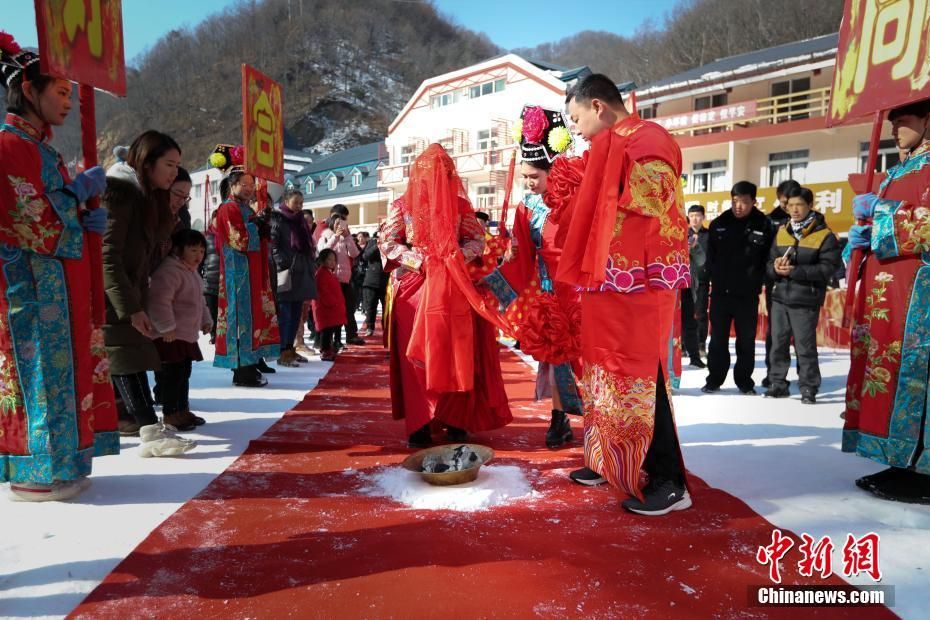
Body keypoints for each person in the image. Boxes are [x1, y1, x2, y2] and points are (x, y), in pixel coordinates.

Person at [555, 74, 690, 515]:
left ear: (598, 106)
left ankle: (670, 480)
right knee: (604, 371)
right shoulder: (608, 145)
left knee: (640, 376)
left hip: (642, 280)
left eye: (576, 119)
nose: (575, 130)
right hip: (607, 278)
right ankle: (611, 459)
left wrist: (597, 172)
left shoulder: (650, 138)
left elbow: (655, 194)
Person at [0, 34, 119, 500]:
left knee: (63, 373)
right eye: (62, 92)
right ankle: (35, 468)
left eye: (71, 93)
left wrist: (83, 213)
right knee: (39, 377)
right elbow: (30, 221)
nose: (69, 102)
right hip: (29, 290)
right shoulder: (10, 147)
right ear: (29, 90)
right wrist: (73, 200)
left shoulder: (41, 149)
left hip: (57, 286)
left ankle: (62, 461)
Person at [380, 144, 513, 448]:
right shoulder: (402, 205)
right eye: (433, 172)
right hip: (415, 289)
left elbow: (477, 240)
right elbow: (387, 243)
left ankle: (455, 419)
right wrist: (420, 260)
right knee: (416, 359)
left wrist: (456, 256)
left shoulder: (460, 207)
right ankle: (419, 423)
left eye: (445, 173)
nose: (439, 178)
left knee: (454, 352)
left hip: (452, 286)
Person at [843, 99, 930, 504]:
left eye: (905, 121)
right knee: (887, 372)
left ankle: (923, 465)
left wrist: (883, 214)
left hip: (919, 294)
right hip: (886, 295)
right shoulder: (895, 172)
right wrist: (858, 244)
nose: (896, 129)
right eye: (892, 122)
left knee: (916, 374)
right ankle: (901, 458)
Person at [484, 104, 582, 449]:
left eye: (534, 177)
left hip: (581, 288)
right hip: (547, 289)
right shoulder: (526, 206)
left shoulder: (577, 197)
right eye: (525, 177)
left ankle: (600, 418)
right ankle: (560, 418)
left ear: (554, 171)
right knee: (555, 355)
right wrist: (492, 279)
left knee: (587, 357)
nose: (528, 183)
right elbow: (520, 255)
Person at [102, 130, 195, 457]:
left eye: (177, 166)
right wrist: (130, 307)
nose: (173, 173)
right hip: (112, 297)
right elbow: (108, 256)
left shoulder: (146, 198)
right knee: (127, 359)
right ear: (147, 161)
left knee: (136, 358)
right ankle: (149, 431)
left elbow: (147, 250)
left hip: (130, 292)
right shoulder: (120, 194)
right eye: (169, 165)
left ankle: (150, 428)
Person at [211, 145, 281, 387]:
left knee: (252, 318)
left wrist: (261, 225)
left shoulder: (243, 208)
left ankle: (250, 366)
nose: (249, 188)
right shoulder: (228, 208)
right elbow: (237, 240)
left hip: (250, 272)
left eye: (251, 183)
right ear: (232, 185)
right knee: (241, 320)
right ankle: (242, 371)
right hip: (237, 274)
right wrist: (257, 226)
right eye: (244, 183)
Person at [765, 186, 840, 403]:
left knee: (804, 347)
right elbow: (769, 262)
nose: (795, 209)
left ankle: (808, 387)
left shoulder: (824, 235)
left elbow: (828, 268)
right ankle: (777, 383)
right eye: (791, 205)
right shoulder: (782, 231)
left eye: (799, 205)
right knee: (777, 344)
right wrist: (775, 268)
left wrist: (796, 271)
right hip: (780, 297)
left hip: (805, 299)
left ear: (810, 206)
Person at [702, 181, 775, 395]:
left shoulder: (764, 225)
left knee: (746, 340)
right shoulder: (719, 223)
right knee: (717, 340)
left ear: (753, 201)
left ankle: (744, 381)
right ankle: (714, 379)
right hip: (720, 294)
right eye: (735, 201)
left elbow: (768, 258)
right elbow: (710, 258)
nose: (739, 206)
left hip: (747, 295)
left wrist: (757, 279)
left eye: (744, 202)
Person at [147, 229, 213, 432]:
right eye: (192, 250)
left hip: (186, 335)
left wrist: (206, 319)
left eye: (201, 251)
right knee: (172, 376)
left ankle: (182, 409)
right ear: (178, 250)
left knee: (184, 373)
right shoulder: (170, 271)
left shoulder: (191, 273)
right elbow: (159, 301)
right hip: (170, 336)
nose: (198, 256)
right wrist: (166, 326)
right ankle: (170, 413)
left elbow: (200, 301)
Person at [270, 190, 317, 366]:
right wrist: (282, 263)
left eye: (301, 203)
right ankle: (282, 350)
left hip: (301, 271)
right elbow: (273, 245)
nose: (299, 206)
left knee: (296, 313)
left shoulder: (300, 221)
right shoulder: (278, 219)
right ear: (286, 201)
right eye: (296, 202)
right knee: (285, 313)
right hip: (286, 272)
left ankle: (291, 348)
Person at [762, 179, 801, 388]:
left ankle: (804, 375)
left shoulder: (812, 220)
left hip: (803, 284)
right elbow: (764, 255)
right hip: (776, 283)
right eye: (784, 202)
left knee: (802, 333)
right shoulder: (770, 221)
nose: (788, 207)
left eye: (792, 202)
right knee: (776, 331)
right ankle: (774, 373)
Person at [317, 211, 365, 347]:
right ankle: (335, 340)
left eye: (343, 223)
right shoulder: (326, 237)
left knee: (349, 309)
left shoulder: (347, 238)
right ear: (332, 224)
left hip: (345, 279)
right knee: (334, 311)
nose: (340, 226)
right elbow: (323, 253)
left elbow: (355, 253)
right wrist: (335, 237)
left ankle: (351, 335)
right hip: (332, 280)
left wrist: (348, 236)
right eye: (337, 223)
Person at [681, 205, 707, 368]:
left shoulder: (691, 241)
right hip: (667, 290)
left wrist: (695, 248)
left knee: (690, 323)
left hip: (687, 288)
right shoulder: (663, 240)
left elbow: (701, 261)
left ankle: (695, 356)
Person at [312, 249, 345, 361]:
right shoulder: (321, 274)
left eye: (334, 260)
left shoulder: (329, 273)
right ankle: (325, 350)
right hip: (326, 308)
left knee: (330, 330)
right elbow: (323, 291)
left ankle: (329, 348)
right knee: (326, 331)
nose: (332, 262)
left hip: (332, 308)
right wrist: (332, 302)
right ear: (323, 260)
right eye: (329, 259)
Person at [687, 205, 710, 360]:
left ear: (703, 217)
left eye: (698, 215)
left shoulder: (709, 235)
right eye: (692, 215)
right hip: (685, 281)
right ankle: (683, 345)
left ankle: (701, 344)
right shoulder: (683, 233)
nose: (695, 218)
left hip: (702, 281)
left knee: (701, 314)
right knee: (685, 315)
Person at [360, 227, 389, 337]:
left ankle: (386, 328)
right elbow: (366, 256)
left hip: (386, 280)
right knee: (370, 306)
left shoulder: (391, 243)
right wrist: (378, 244)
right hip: (371, 281)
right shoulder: (372, 242)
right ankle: (370, 327)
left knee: (387, 307)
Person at [203, 210, 220, 344]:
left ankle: (220, 335)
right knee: (212, 311)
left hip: (224, 280)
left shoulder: (228, 237)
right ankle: (214, 334)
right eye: (217, 218)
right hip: (209, 280)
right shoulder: (206, 238)